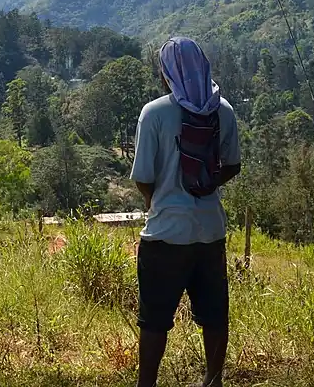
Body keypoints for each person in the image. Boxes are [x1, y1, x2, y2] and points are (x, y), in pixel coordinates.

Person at [131, 36, 241, 387]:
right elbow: (233, 166)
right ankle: (213, 380)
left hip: (166, 234)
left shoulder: (155, 113)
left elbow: (143, 177)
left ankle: (146, 384)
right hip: (210, 232)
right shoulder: (222, 110)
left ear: (167, 74)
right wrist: (204, 184)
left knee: (154, 320)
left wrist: (159, 202)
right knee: (213, 313)